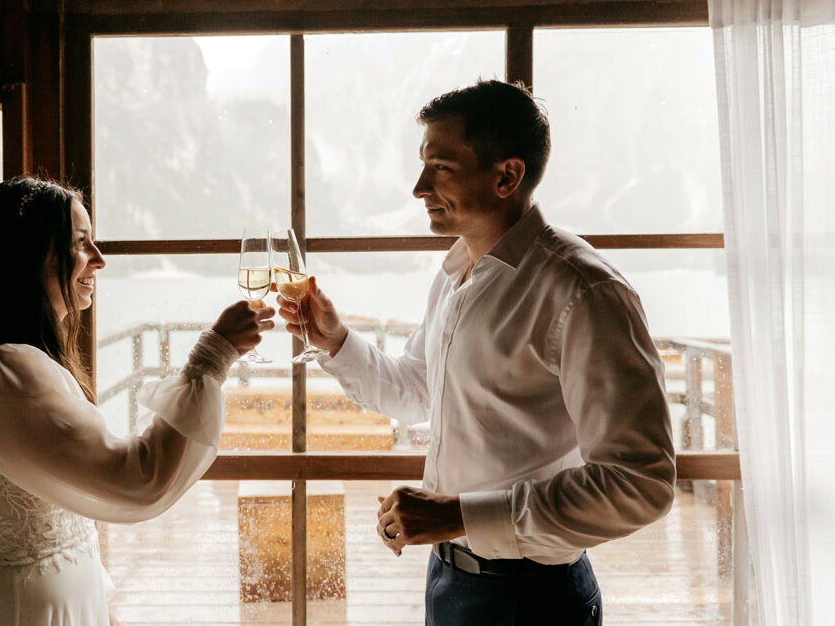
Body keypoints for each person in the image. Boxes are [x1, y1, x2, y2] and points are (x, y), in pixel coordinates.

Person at [277, 80, 675, 624]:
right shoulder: (457, 273)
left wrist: (460, 514)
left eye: (440, 166)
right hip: (446, 580)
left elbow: (640, 484)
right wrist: (335, 342)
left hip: (533, 601)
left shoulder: (584, 292)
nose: (419, 187)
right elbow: (419, 391)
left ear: (507, 175)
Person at [0, 176, 275, 626]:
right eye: (80, 243)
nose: (99, 260)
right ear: (25, 254)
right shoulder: (2, 372)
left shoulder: (19, 363)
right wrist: (212, 357)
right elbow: (138, 478)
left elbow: (70, 524)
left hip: (63, 601)